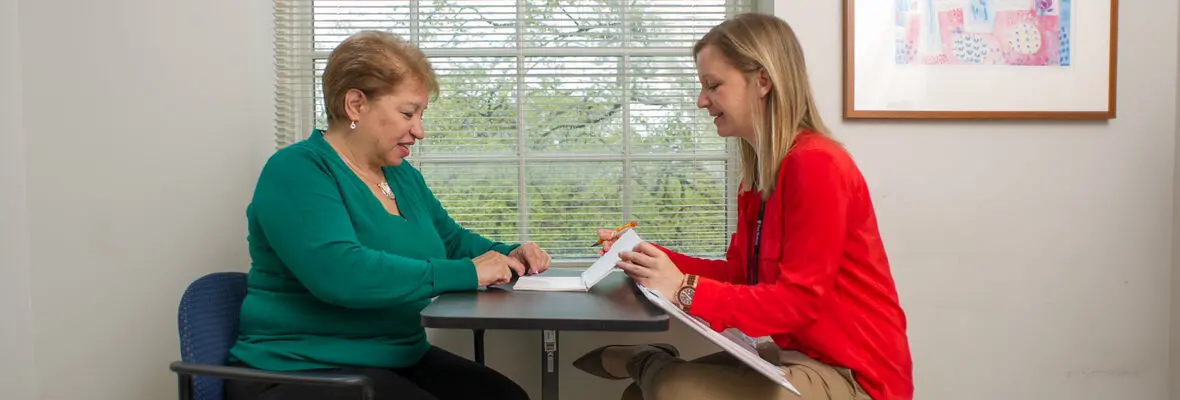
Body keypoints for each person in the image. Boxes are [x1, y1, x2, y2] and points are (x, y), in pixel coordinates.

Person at [571, 13, 913, 400]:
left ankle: (644, 360)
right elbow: (742, 275)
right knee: (641, 396)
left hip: (854, 375)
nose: (702, 101)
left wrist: (683, 288)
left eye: (713, 85)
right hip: (798, 357)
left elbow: (797, 302)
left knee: (672, 388)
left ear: (763, 80)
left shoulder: (817, 164)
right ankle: (649, 363)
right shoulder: (759, 173)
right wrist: (644, 256)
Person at [226, 30, 547, 400]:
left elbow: (450, 240)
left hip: (396, 357)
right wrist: (468, 271)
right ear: (356, 105)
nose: (419, 131)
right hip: (302, 370)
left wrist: (508, 253)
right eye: (408, 113)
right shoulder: (298, 170)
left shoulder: (401, 175)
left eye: (421, 115)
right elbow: (341, 274)